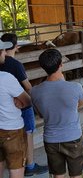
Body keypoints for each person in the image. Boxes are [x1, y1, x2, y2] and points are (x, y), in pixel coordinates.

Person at [30, 49, 83, 178]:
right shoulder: (75, 87)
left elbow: (41, 114)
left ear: (43, 67)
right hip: (73, 138)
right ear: (61, 64)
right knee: (76, 175)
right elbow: (81, 104)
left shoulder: (35, 91)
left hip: (51, 139)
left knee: (57, 175)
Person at [0, 33, 49, 176]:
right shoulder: (15, 65)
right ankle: (30, 165)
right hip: (15, 115)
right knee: (28, 133)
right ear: (16, 46)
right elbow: (27, 88)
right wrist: (38, 100)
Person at [0, 39, 31, 178]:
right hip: (11, 130)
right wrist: (19, 101)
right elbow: (27, 101)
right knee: (16, 169)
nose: (5, 53)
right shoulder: (6, 78)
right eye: (2, 51)